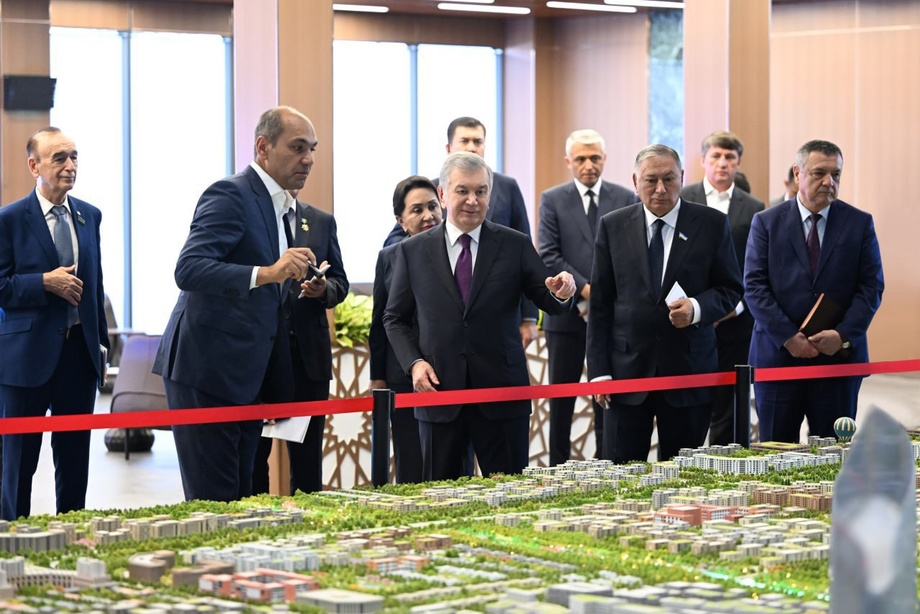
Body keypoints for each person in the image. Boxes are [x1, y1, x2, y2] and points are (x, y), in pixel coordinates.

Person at [153, 106, 317, 502]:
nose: (308, 159)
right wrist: (269, 272)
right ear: (263, 147)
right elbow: (189, 269)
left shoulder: (280, 207)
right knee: (216, 503)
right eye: (297, 147)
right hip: (206, 371)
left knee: (240, 499)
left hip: (246, 377)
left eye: (312, 149)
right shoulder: (231, 194)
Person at [384, 152, 576, 480]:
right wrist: (414, 363)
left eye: (481, 191)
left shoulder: (514, 244)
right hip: (439, 394)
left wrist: (563, 292)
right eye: (463, 191)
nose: (473, 200)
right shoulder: (412, 250)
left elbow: (548, 299)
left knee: (509, 497)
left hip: (502, 394)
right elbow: (395, 317)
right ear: (443, 194)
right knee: (443, 497)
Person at [586, 144, 742, 463]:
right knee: (622, 475)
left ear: (682, 177)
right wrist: (599, 372)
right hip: (626, 375)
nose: (660, 189)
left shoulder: (711, 224)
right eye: (651, 180)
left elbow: (730, 289)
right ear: (635, 181)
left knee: (683, 477)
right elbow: (600, 305)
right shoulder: (613, 225)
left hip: (689, 372)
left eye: (669, 179)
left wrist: (696, 309)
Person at [0, 127, 109, 520]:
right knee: (19, 463)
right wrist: (43, 282)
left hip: (78, 357)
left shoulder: (89, 216)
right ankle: (13, 540)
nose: (70, 166)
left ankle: (73, 534)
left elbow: (95, 287)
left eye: (74, 156)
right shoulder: (10, 220)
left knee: (75, 460)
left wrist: (100, 349)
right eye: (59, 158)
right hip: (25, 361)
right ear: (35, 166)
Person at [745, 140, 883, 442]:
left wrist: (842, 335)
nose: (829, 182)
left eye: (836, 174)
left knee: (832, 456)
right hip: (779, 357)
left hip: (838, 359)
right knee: (775, 452)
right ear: (798, 173)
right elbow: (754, 287)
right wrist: (788, 338)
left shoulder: (859, 223)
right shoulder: (766, 222)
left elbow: (871, 287)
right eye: (819, 173)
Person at [383, 116, 539, 349]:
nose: (472, 147)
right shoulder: (430, 188)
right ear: (449, 148)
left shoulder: (507, 186)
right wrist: (424, 244)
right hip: (444, 317)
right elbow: (396, 237)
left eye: (478, 141)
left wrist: (529, 317)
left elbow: (526, 250)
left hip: (498, 316)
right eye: (464, 140)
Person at [537, 129, 636, 465]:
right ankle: (557, 467)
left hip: (611, 318)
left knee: (605, 396)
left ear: (604, 159)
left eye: (595, 158)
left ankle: (606, 464)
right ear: (568, 162)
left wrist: (601, 295)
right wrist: (585, 291)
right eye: (580, 158)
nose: (588, 165)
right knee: (561, 400)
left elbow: (630, 254)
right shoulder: (552, 199)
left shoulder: (625, 197)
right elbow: (548, 254)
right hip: (566, 316)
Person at [252, 188, 349, 495]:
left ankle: (307, 521)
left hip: (307, 359)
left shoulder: (321, 220)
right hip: (260, 358)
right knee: (254, 461)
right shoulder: (252, 216)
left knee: (307, 466)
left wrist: (324, 289)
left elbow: (340, 282)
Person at [680, 131, 765, 446]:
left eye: (730, 157)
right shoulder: (683, 197)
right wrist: (698, 307)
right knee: (689, 401)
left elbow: (755, 263)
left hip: (736, 319)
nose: (722, 163)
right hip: (689, 315)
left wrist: (734, 305)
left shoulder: (754, 206)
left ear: (738, 162)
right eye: (715, 156)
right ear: (703, 160)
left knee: (729, 403)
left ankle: (723, 463)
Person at [369, 176, 442, 483]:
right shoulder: (388, 257)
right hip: (402, 375)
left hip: (447, 372)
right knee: (410, 460)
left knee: (449, 465)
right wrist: (378, 377)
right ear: (400, 220)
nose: (428, 215)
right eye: (417, 210)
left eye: (433, 206)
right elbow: (380, 320)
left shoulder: (459, 253)